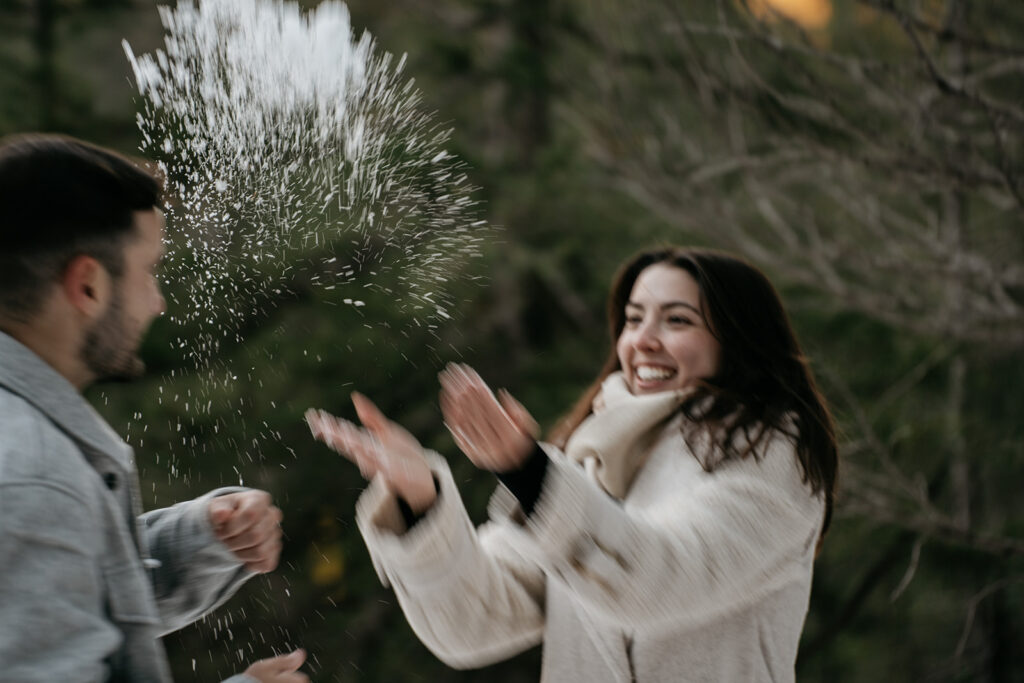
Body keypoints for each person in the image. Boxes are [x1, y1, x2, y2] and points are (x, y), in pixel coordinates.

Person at [307, 246, 839, 682]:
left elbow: (661, 580)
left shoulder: (772, 453)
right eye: (633, 319)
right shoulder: (593, 452)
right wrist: (419, 499)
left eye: (677, 320)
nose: (642, 340)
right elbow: (473, 624)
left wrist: (528, 471)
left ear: (738, 338)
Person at [0, 134, 308, 683]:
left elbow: (64, 589)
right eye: (149, 269)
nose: (157, 301)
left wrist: (199, 540)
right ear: (88, 286)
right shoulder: (34, 478)